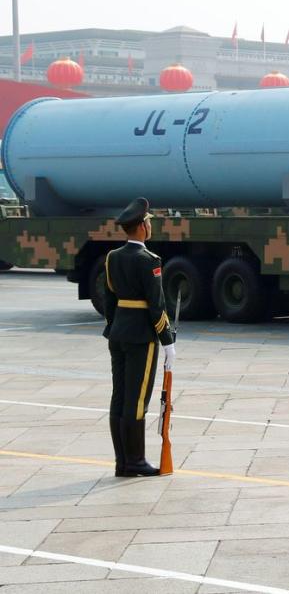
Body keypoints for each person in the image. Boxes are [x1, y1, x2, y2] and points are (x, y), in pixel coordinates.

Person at [103, 197, 176, 477]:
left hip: (118, 333)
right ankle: (135, 461)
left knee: (119, 396)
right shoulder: (149, 261)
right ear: (143, 227)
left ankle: (123, 461)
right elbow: (156, 305)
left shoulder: (113, 258)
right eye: (149, 222)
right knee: (136, 400)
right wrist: (167, 340)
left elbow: (110, 300)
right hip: (141, 336)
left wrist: (113, 327)